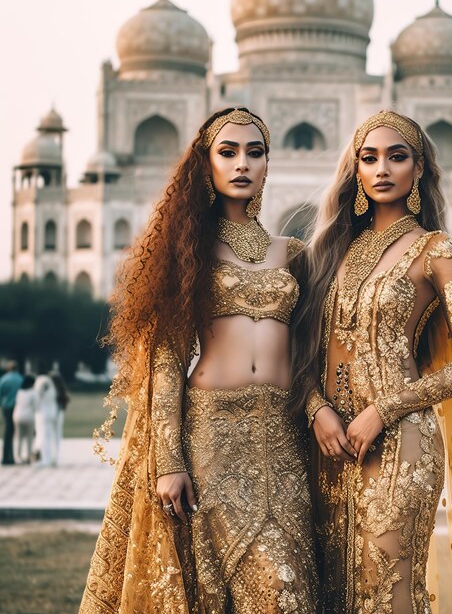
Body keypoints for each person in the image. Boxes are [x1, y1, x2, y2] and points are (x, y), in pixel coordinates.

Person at [80, 108, 318, 613]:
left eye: (255, 153)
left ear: (267, 165)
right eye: (227, 152)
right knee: (217, 585)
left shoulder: (293, 254)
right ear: (204, 164)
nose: (242, 164)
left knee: (289, 587)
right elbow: (166, 360)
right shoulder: (187, 251)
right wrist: (168, 462)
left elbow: (308, 354)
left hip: (283, 435)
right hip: (211, 434)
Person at [291, 111, 452, 613]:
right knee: (331, 591)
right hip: (327, 442)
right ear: (356, 172)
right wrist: (314, 408)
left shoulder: (437, 251)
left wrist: (384, 410)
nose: (382, 169)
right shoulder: (330, 250)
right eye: (369, 158)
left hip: (400, 444)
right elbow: (301, 350)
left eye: (397, 156)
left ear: (419, 170)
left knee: (388, 591)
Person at [33, 374, 59, 467]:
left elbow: (37, 399)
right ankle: (49, 457)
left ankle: (45, 458)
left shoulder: (41, 384)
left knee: (43, 437)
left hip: (43, 414)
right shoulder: (51, 387)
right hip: (50, 413)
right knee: (48, 436)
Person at [0, 361, 23, 465]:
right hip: (18, 407)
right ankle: (11, 457)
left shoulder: (4, 379)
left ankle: (6, 457)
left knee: (8, 432)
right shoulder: (20, 379)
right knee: (13, 432)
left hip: (7, 407)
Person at [13, 374, 37, 464]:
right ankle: (28, 456)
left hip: (17, 416)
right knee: (29, 438)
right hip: (28, 417)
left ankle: (18, 456)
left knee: (18, 437)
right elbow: (36, 406)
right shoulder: (33, 393)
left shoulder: (19, 392)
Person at [49, 371, 70, 459]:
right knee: (57, 434)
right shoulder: (62, 389)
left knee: (51, 434)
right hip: (59, 413)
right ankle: (56, 455)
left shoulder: (51, 389)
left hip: (52, 413)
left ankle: (51, 455)